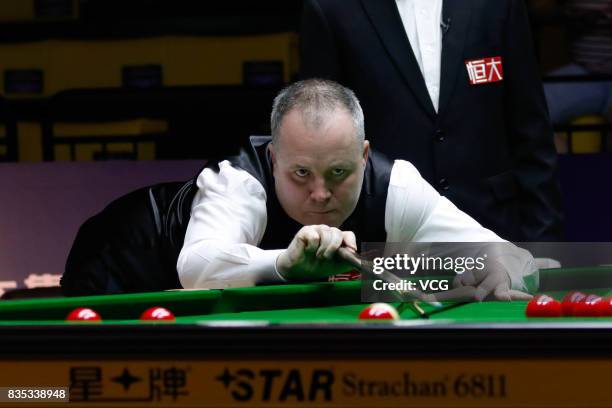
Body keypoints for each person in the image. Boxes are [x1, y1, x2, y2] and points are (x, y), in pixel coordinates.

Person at [177, 79, 536, 301]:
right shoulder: (237, 182)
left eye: (338, 172)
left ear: (363, 156)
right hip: (129, 265)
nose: (320, 193)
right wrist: (284, 264)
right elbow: (195, 267)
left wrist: (499, 269)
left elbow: (516, 258)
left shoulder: (395, 188)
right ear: (273, 158)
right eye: (301, 172)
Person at [299, 0, 564, 242]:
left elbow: (531, 131)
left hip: (495, 229)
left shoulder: (497, 5)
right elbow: (319, 137)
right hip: (387, 241)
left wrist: (545, 244)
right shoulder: (331, 7)